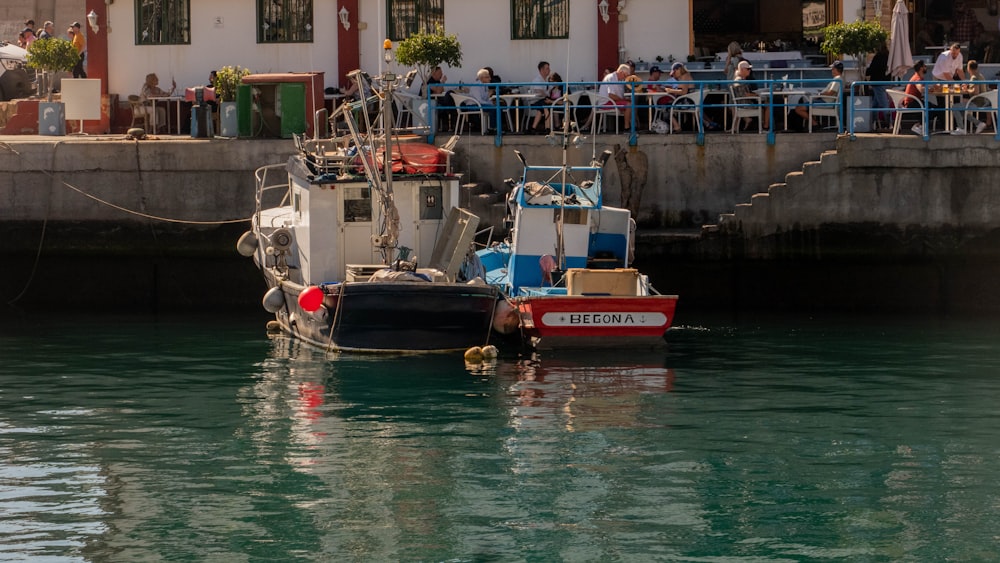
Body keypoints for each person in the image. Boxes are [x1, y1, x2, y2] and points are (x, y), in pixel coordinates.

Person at [794, 60, 844, 129]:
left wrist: (820, 94)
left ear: (836, 69)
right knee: (807, 102)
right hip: (826, 101)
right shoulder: (840, 79)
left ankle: (814, 124)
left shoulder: (837, 79)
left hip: (826, 102)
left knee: (798, 109)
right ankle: (814, 123)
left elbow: (831, 92)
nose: (831, 70)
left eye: (833, 69)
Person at [732, 60, 769, 131]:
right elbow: (745, 94)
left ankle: (764, 126)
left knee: (766, 103)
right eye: (748, 69)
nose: (749, 71)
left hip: (745, 102)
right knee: (768, 105)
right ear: (742, 69)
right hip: (745, 104)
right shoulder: (740, 81)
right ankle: (765, 127)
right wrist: (756, 95)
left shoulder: (741, 79)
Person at [904, 60, 937, 135]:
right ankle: (920, 126)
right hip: (912, 103)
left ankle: (919, 125)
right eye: (925, 66)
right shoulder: (918, 78)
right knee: (933, 109)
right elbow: (921, 89)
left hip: (913, 101)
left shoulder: (916, 76)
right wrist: (930, 89)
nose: (926, 68)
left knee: (932, 107)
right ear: (921, 68)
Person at [596, 63, 631, 129]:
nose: (625, 77)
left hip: (612, 101)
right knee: (629, 105)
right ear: (621, 72)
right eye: (624, 75)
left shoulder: (619, 79)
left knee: (631, 104)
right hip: (605, 102)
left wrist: (624, 99)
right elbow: (611, 95)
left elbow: (618, 95)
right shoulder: (611, 77)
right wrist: (623, 100)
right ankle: (627, 128)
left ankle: (632, 126)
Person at [866, 43, 890, 129]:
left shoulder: (878, 57)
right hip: (885, 82)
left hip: (877, 83)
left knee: (883, 104)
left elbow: (872, 69)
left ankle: (889, 124)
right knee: (875, 104)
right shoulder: (887, 56)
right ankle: (872, 122)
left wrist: (865, 71)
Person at [963, 60, 988, 134]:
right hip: (983, 100)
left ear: (968, 68)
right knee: (959, 104)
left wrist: (966, 90)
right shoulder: (980, 75)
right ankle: (974, 124)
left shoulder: (974, 77)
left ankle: (975, 124)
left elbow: (975, 91)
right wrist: (968, 87)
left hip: (977, 102)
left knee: (956, 106)